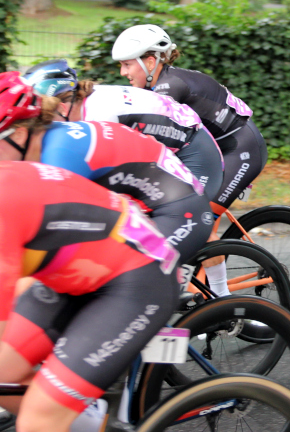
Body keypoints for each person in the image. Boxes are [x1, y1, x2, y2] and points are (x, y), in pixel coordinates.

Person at [0, 161, 179, 432]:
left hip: (136, 281)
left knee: (37, 421)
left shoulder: (4, 203)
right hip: (74, 277)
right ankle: (89, 425)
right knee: (3, 376)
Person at [111, 24, 267, 295]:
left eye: (126, 65)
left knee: (195, 216)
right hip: (212, 150)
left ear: (150, 61)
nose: (122, 73)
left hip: (239, 149)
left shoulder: (168, 89)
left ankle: (222, 299)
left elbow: (154, 143)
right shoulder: (158, 83)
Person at [0, 72, 213, 266]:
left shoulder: (60, 152)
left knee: (126, 272)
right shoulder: (45, 142)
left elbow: (44, 225)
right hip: (144, 194)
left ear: (18, 133)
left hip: (180, 204)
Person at [22, 59, 224, 199]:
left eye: (44, 112)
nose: (44, 120)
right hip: (165, 147)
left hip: (195, 151)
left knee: (184, 218)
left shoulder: (101, 115)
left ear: (61, 105)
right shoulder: (86, 105)